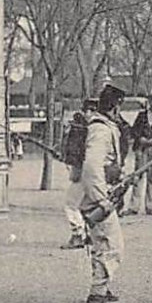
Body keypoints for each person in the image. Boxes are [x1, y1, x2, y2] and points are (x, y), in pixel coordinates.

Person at [81, 83, 128, 303]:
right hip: (99, 196)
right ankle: (97, 295)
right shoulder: (100, 129)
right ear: (115, 106)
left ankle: (102, 286)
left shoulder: (105, 126)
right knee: (112, 245)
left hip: (105, 192)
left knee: (103, 242)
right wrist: (101, 199)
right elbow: (92, 166)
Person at [61, 106, 90, 249]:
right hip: (95, 173)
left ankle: (78, 234)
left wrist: (74, 167)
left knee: (70, 204)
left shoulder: (80, 130)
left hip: (82, 170)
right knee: (87, 203)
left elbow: (76, 153)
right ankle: (89, 234)